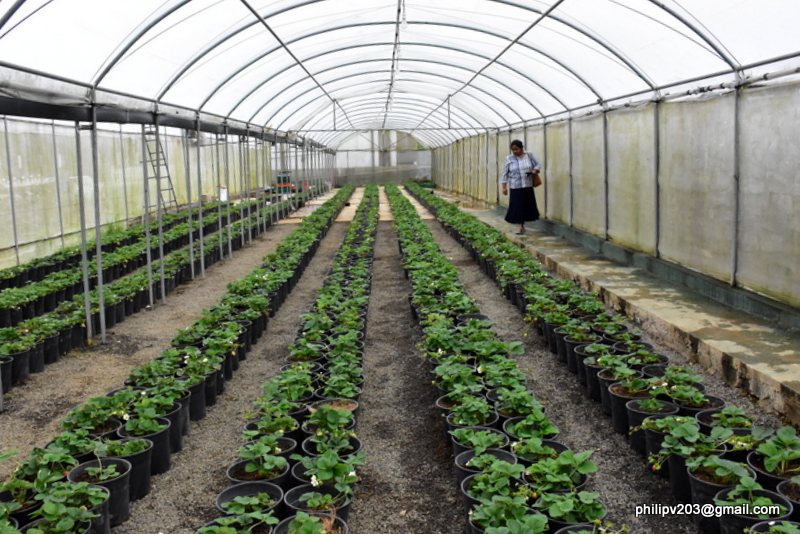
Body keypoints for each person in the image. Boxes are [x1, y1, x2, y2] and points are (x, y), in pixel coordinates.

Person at [501, 139, 541, 235]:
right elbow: (504, 174)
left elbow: (538, 164)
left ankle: (522, 225)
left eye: (517, 149)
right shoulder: (509, 159)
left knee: (526, 206)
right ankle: (520, 226)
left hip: (527, 185)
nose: (515, 151)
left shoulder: (529, 155)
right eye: (513, 150)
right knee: (517, 206)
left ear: (522, 148)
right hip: (515, 186)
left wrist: (535, 170)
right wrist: (504, 187)